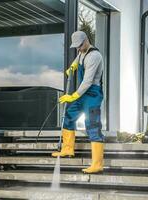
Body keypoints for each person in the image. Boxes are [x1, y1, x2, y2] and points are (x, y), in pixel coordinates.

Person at [51, 31, 104, 174]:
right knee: (69, 116)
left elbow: (87, 81)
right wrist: (72, 66)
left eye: (80, 46)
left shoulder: (94, 56)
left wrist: (73, 96)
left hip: (92, 94)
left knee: (93, 125)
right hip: (83, 93)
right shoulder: (81, 52)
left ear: (86, 41)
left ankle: (97, 164)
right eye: (76, 47)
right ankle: (68, 149)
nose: (78, 49)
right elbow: (78, 59)